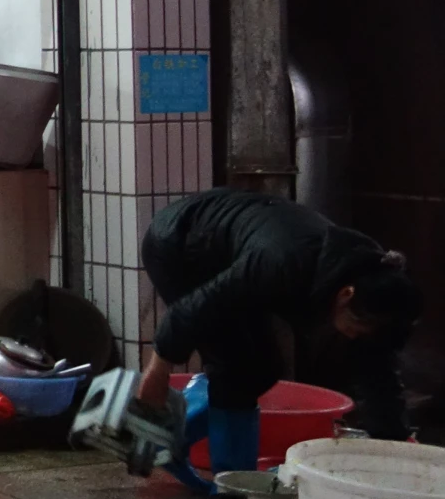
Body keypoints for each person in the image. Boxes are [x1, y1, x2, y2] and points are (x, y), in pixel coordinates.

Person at [135, 186, 422, 442]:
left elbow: (377, 367)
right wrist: (156, 376)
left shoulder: (374, 285)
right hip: (180, 243)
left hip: (239, 247)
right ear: (345, 294)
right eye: (358, 325)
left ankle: (204, 449)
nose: (357, 335)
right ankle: (219, 469)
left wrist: (396, 439)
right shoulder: (283, 262)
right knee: (236, 367)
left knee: (262, 369)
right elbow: (195, 309)